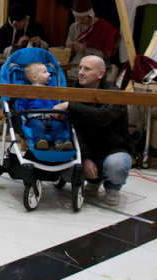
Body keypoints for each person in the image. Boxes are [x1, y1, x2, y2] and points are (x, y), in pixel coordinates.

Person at [51, 56, 132, 206]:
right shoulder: (76, 91)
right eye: (80, 68)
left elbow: (102, 117)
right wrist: (86, 158)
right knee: (65, 172)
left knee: (116, 165)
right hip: (89, 150)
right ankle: (94, 182)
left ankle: (113, 188)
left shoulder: (114, 93)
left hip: (113, 149)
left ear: (100, 74)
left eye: (87, 69)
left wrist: (70, 105)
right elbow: (74, 129)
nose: (81, 72)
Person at [17, 62, 72, 151]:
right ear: (34, 77)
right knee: (38, 126)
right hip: (35, 117)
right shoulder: (27, 90)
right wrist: (22, 116)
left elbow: (57, 103)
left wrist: (59, 113)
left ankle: (59, 143)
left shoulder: (51, 89)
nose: (49, 74)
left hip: (51, 117)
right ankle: (40, 142)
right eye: (45, 72)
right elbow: (21, 104)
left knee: (58, 125)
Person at [65, 0, 120, 72]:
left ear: (91, 15)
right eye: (77, 19)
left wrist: (86, 50)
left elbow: (107, 53)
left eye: (83, 18)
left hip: (96, 68)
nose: (80, 21)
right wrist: (70, 49)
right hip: (76, 66)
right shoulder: (74, 27)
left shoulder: (104, 27)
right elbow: (68, 50)